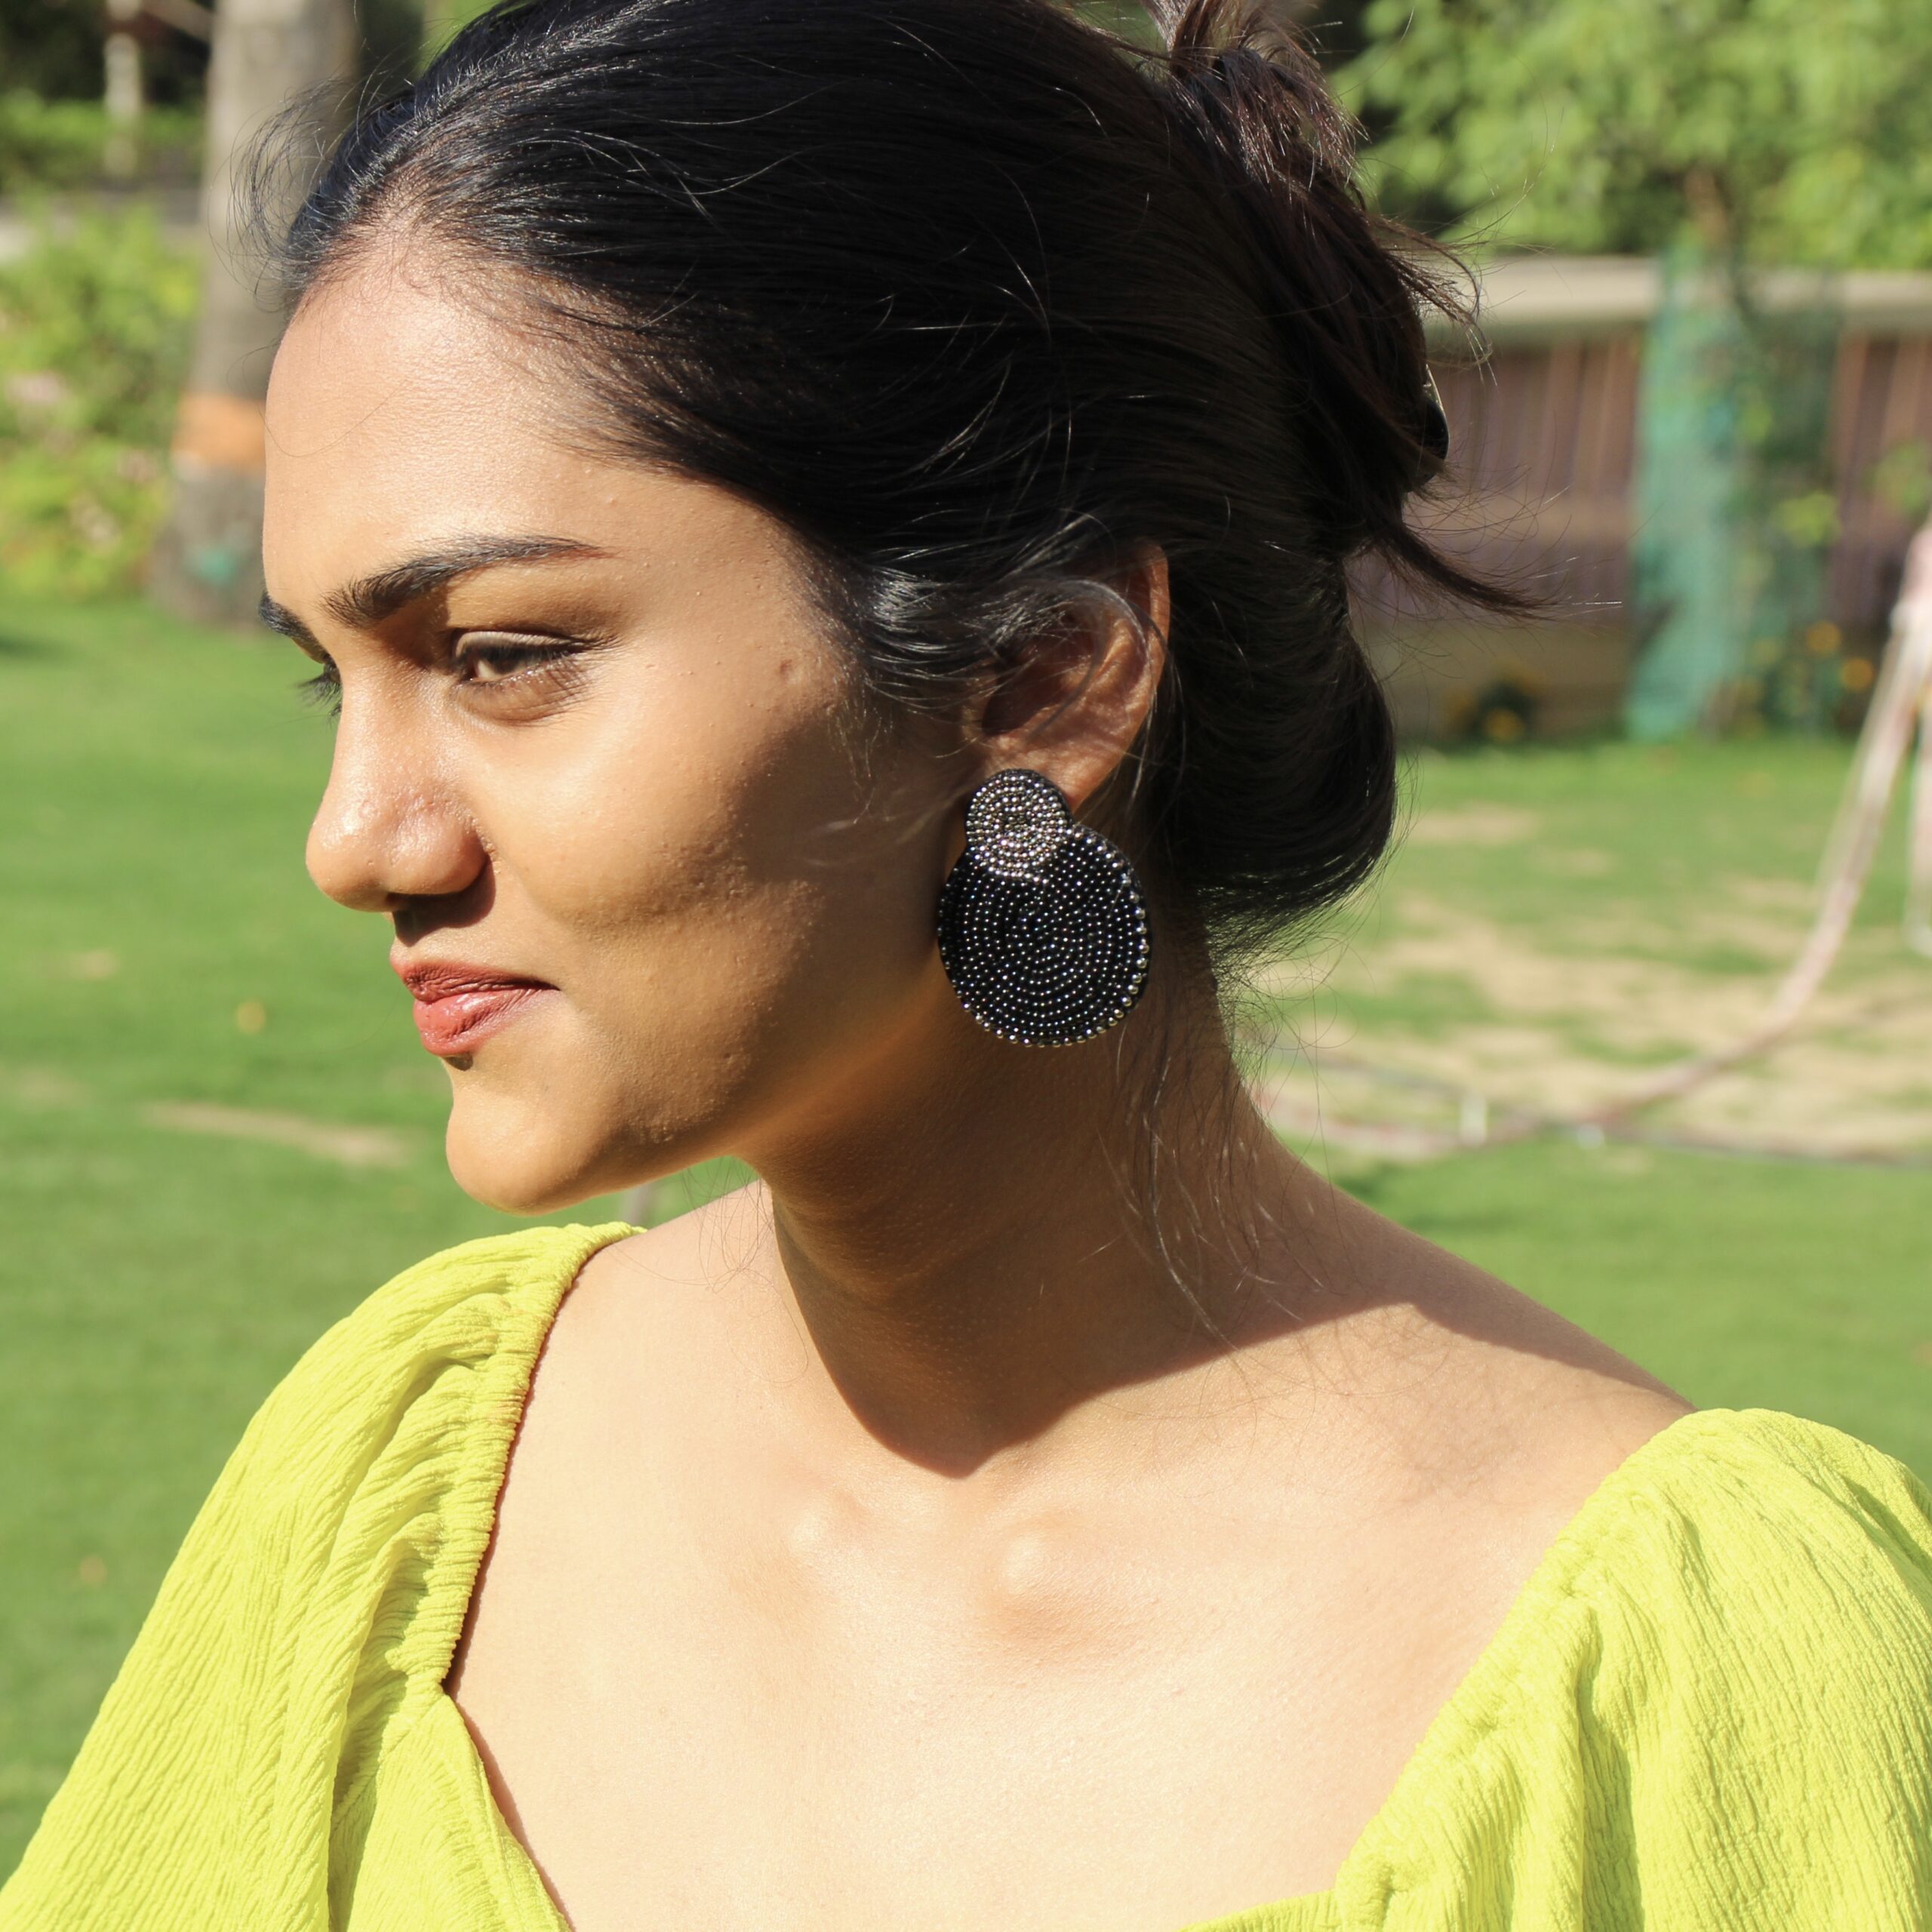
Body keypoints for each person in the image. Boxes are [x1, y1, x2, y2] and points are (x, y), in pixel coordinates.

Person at [7, 0, 1931, 1926]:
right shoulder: (402, 1496)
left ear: (1041, 679)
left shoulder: (1703, 1671)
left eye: (503, 655)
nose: (354, 841)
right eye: (326, 675)